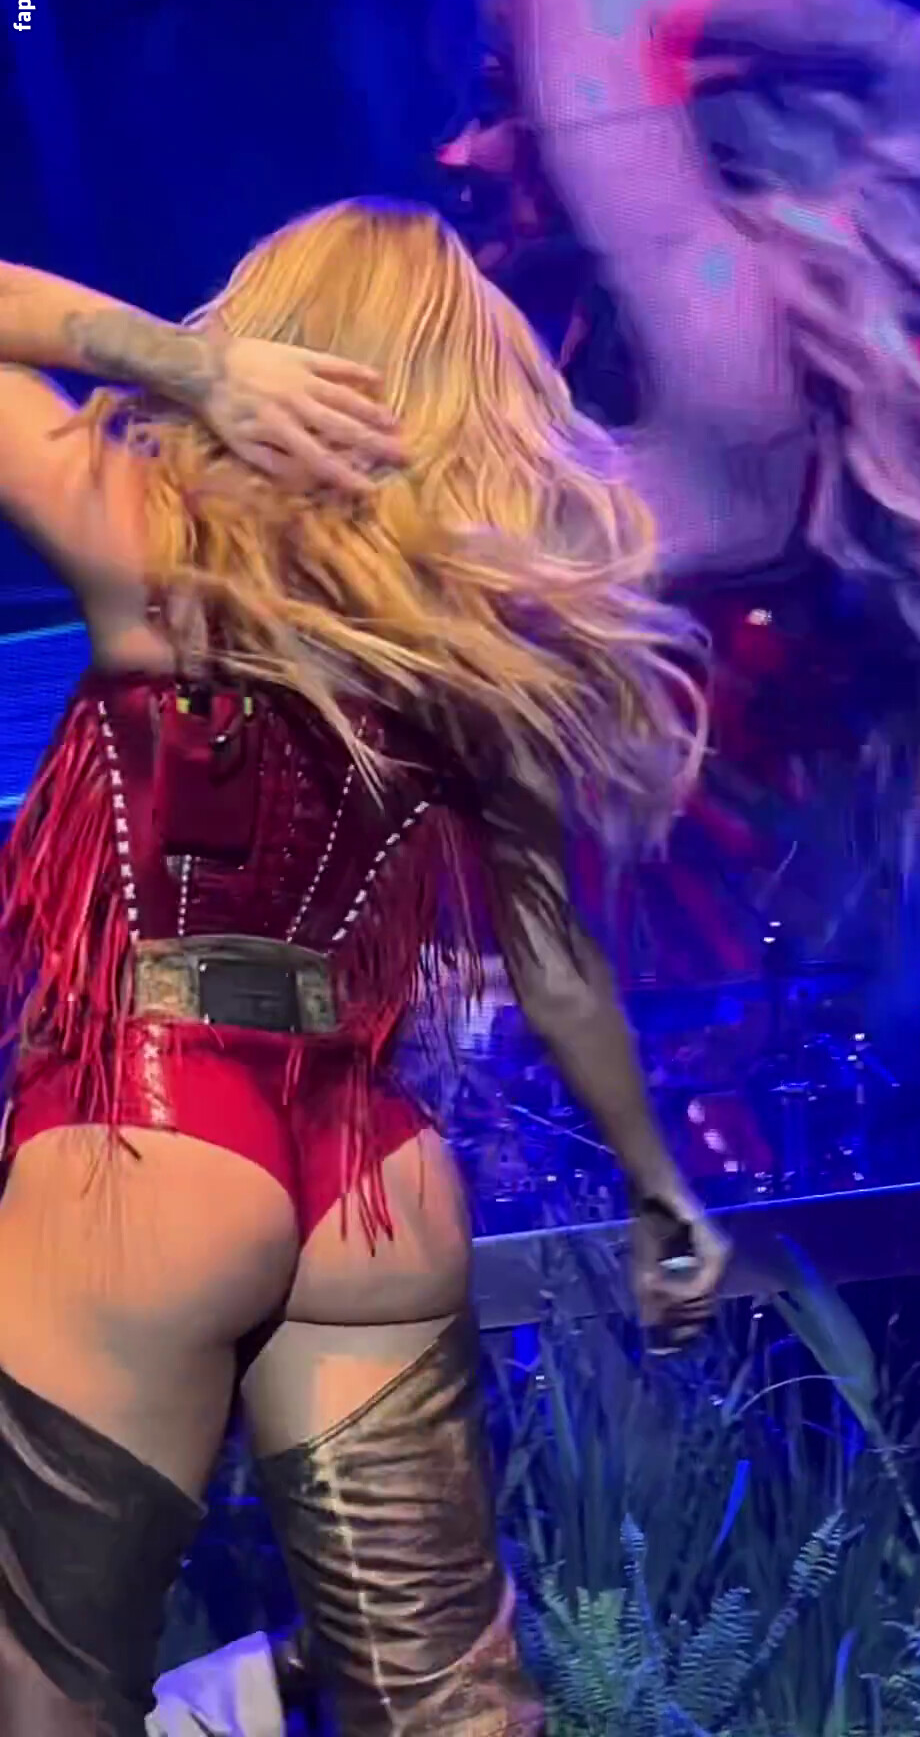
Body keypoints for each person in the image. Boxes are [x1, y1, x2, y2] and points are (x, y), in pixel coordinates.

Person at [0, 204, 729, 1736]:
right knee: (448, 1705)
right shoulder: (477, 654)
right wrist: (661, 1189)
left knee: (47, 1693)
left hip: (149, 1132)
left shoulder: (150, 543)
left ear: (274, 347)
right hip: (373, 1180)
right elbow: (556, 966)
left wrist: (183, 367)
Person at [436, 0, 920, 993]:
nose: (457, 153)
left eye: (503, 103)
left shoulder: (753, 350)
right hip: (663, 996)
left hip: (732, 1017)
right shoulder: (614, 351)